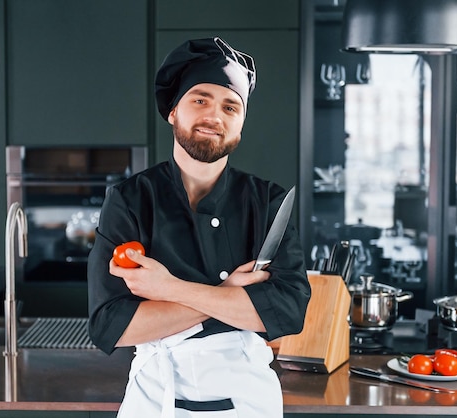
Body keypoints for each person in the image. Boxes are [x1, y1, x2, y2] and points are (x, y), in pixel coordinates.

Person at [87, 37, 311, 418]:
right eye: (200, 99)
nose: (215, 115)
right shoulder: (130, 200)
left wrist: (169, 289)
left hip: (247, 399)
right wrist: (225, 294)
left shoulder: (268, 203)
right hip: (157, 397)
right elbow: (113, 327)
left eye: (230, 106)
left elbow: (287, 314)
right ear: (173, 111)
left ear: (240, 124)